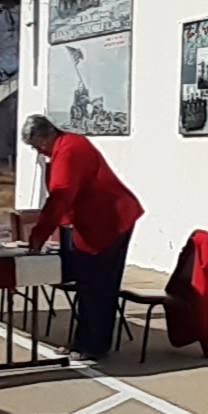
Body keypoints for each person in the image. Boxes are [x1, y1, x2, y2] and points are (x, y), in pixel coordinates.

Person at [23, 115, 143, 360]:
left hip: (110, 221)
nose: (38, 151)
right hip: (95, 222)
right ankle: (82, 342)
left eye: (37, 145)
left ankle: (93, 346)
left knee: (99, 286)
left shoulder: (68, 150)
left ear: (47, 136)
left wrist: (39, 236)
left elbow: (60, 196)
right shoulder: (66, 146)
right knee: (88, 285)